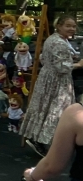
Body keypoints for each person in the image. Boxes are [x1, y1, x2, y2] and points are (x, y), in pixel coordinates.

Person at [21, 15, 83, 154]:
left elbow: (45, 58)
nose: (72, 29)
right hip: (57, 81)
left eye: (73, 26)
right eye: (68, 26)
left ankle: (38, 138)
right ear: (59, 26)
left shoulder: (54, 39)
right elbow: (62, 67)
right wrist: (78, 64)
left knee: (45, 107)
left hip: (48, 78)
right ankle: (45, 142)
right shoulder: (59, 43)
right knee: (57, 110)